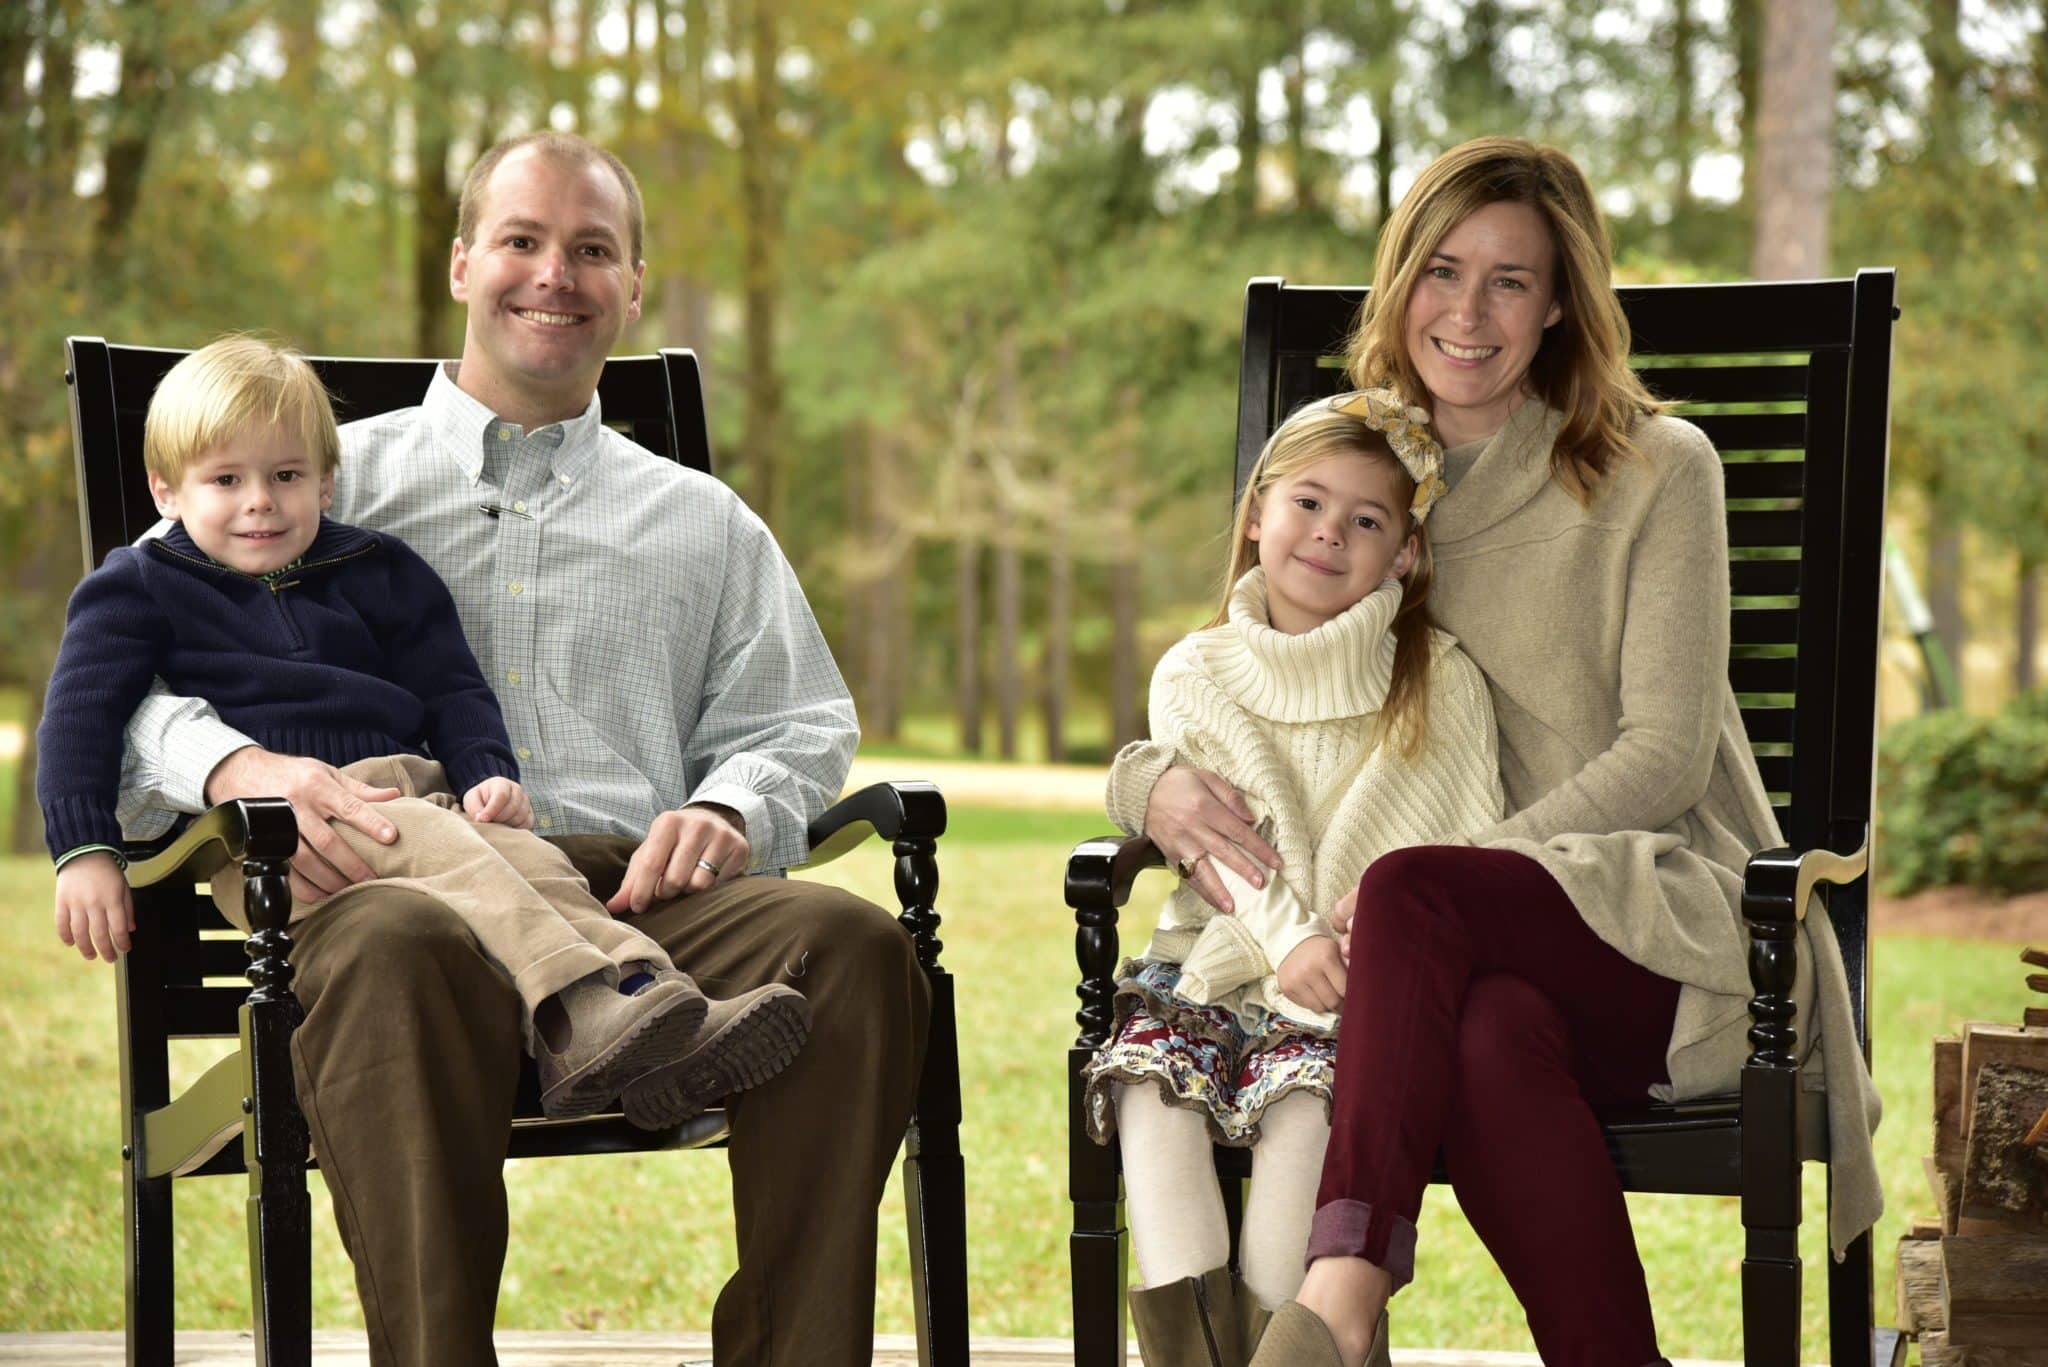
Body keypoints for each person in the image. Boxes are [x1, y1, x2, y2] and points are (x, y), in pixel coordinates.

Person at [112, 132, 930, 1367]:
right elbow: (122, 676)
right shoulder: (316, 480)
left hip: (635, 907)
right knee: (395, 941)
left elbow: (797, 721)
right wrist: (239, 774)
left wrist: (731, 805)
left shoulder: (702, 519)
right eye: (522, 240)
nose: (555, 274)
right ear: (460, 265)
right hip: (396, 887)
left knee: (855, 946)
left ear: (633, 288)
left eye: (592, 250)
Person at [1107, 137, 1882, 1367]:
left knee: (1417, 886)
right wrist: (1141, 779)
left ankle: (1342, 1289)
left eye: (1509, 281)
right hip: (1456, 971)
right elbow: (1243, 672)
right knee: (1486, 1032)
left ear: (1561, 304)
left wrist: (1456, 884)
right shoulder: (1372, 481)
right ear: (1398, 281)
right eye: (1441, 271)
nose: (1466, 313)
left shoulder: (1655, 468)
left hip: (1663, 923)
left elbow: (1665, 757)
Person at [40, 335, 808, 1124]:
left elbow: (454, 688)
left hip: (424, 797)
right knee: (466, 860)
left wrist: (485, 772)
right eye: (225, 480)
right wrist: (85, 850)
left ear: (328, 482)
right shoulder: (139, 586)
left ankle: (652, 1010)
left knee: (535, 867)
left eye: (287, 476)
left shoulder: (380, 567)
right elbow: (79, 716)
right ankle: (586, 1007)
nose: (260, 501)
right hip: (278, 841)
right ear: (166, 490)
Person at [1081, 388, 1503, 1367]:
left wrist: (1347, 947)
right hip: (1219, 964)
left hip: (1350, 995)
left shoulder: (1436, 677)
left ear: (1403, 551)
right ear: (1257, 512)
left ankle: (1291, 1343)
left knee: (1306, 1108)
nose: (1328, 533)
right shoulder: (1198, 669)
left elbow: (1468, 841)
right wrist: (1289, 938)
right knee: (1150, 1091)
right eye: (1306, 503)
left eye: (1365, 520)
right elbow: (1213, 841)